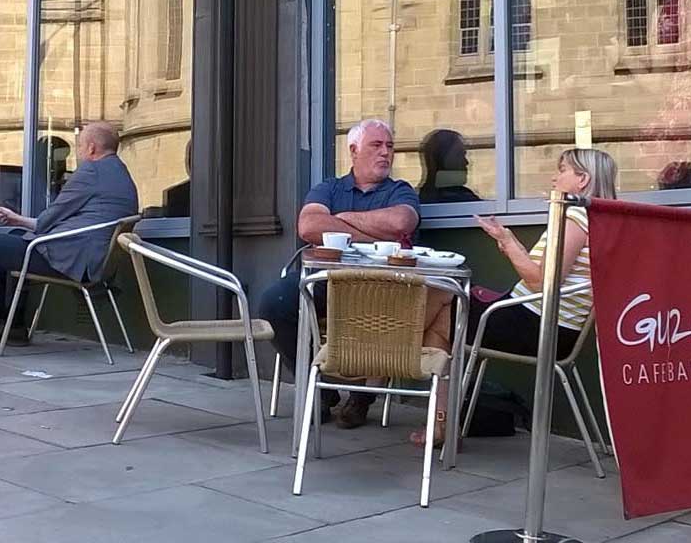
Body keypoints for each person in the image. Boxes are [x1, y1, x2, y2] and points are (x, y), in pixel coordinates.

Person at [416, 147, 618, 446]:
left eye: (562, 170)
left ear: (583, 180)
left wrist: (510, 245)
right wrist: (507, 239)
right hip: (538, 320)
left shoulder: (575, 217)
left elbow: (541, 282)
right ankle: (440, 419)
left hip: (541, 327)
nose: (554, 176)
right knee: (443, 301)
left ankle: (434, 414)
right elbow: (544, 276)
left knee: (438, 310)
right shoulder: (599, 220)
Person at [0, 121, 139, 353]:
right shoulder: (121, 174)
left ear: (92, 148)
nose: (79, 152)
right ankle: (11, 326)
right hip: (92, 259)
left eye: (81, 145)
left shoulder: (90, 172)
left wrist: (24, 221)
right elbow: (62, 221)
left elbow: (48, 219)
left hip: (70, 260)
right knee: (9, 236)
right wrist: (18, 220)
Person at [258, 118, 420, 428]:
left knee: (387, 316)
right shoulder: (329, 187)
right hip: (327, 281)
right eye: (376, 145)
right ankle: (319, 389)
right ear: (354, 150)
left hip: (382, 286)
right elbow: (309, 226)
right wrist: (374, 232)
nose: (386, 153)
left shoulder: (401, 191)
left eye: (390, 146)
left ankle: (363, 395)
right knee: (274, 303)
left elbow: (401, 223)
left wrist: (341, 219)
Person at [418, 129, 480, 204]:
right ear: (441, 159)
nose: (466, 162)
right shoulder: (462, 199)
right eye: (459, 155)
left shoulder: (419, 198)